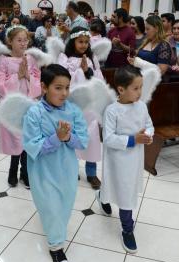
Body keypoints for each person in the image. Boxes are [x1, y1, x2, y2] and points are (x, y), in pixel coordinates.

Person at [22, 64, 88, 262]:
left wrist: (68, 137)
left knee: (64, 205)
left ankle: (56, 231)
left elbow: (83, 141)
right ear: (44, 87)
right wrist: (56, 138)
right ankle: (56, 247)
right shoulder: (34, 113)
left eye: (67, 87)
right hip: (42, 170)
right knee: (50, 206)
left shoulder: (73, 111)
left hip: (67, 169)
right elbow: (32, 146)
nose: (64, 93)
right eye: (58, 88)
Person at [96, 65, 154, 254]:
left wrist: (148, 135)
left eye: (141, 87)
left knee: (126, 190)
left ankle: (103, 196)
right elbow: (108, 138)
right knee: (122, 191)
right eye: (135, 88)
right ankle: (127, 230)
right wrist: (132, 140)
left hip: (135, 159)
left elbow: (149, 125)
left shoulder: (142, 106)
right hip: (117, 160)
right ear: (121, 89)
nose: (139, 92)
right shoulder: (112, 111)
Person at [0, 25, 42, 188]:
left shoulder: (31, 58)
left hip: (28, 104)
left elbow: (37, 78)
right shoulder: (4, 60)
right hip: (13, 106)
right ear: (10, 41)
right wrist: (17, 76)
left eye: (25, 40)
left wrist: (28, 76)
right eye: (19, 40)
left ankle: (25, 173)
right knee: (15, 139)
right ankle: (12, 170)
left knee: (27, 138)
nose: (23, 43)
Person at [57, 26, 106, 189]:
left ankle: (91, 173)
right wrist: (77, 71)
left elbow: (99, 80)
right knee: (72, 137)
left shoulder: (92, 58)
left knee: (91, 138)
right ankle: (71, 170)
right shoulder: (65, 57)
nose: (84, 45)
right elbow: (61, 79)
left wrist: (88, 71)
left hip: (89, 107)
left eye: (86, 42)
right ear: (73, 41)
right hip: (72, 104)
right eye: (80, 42)